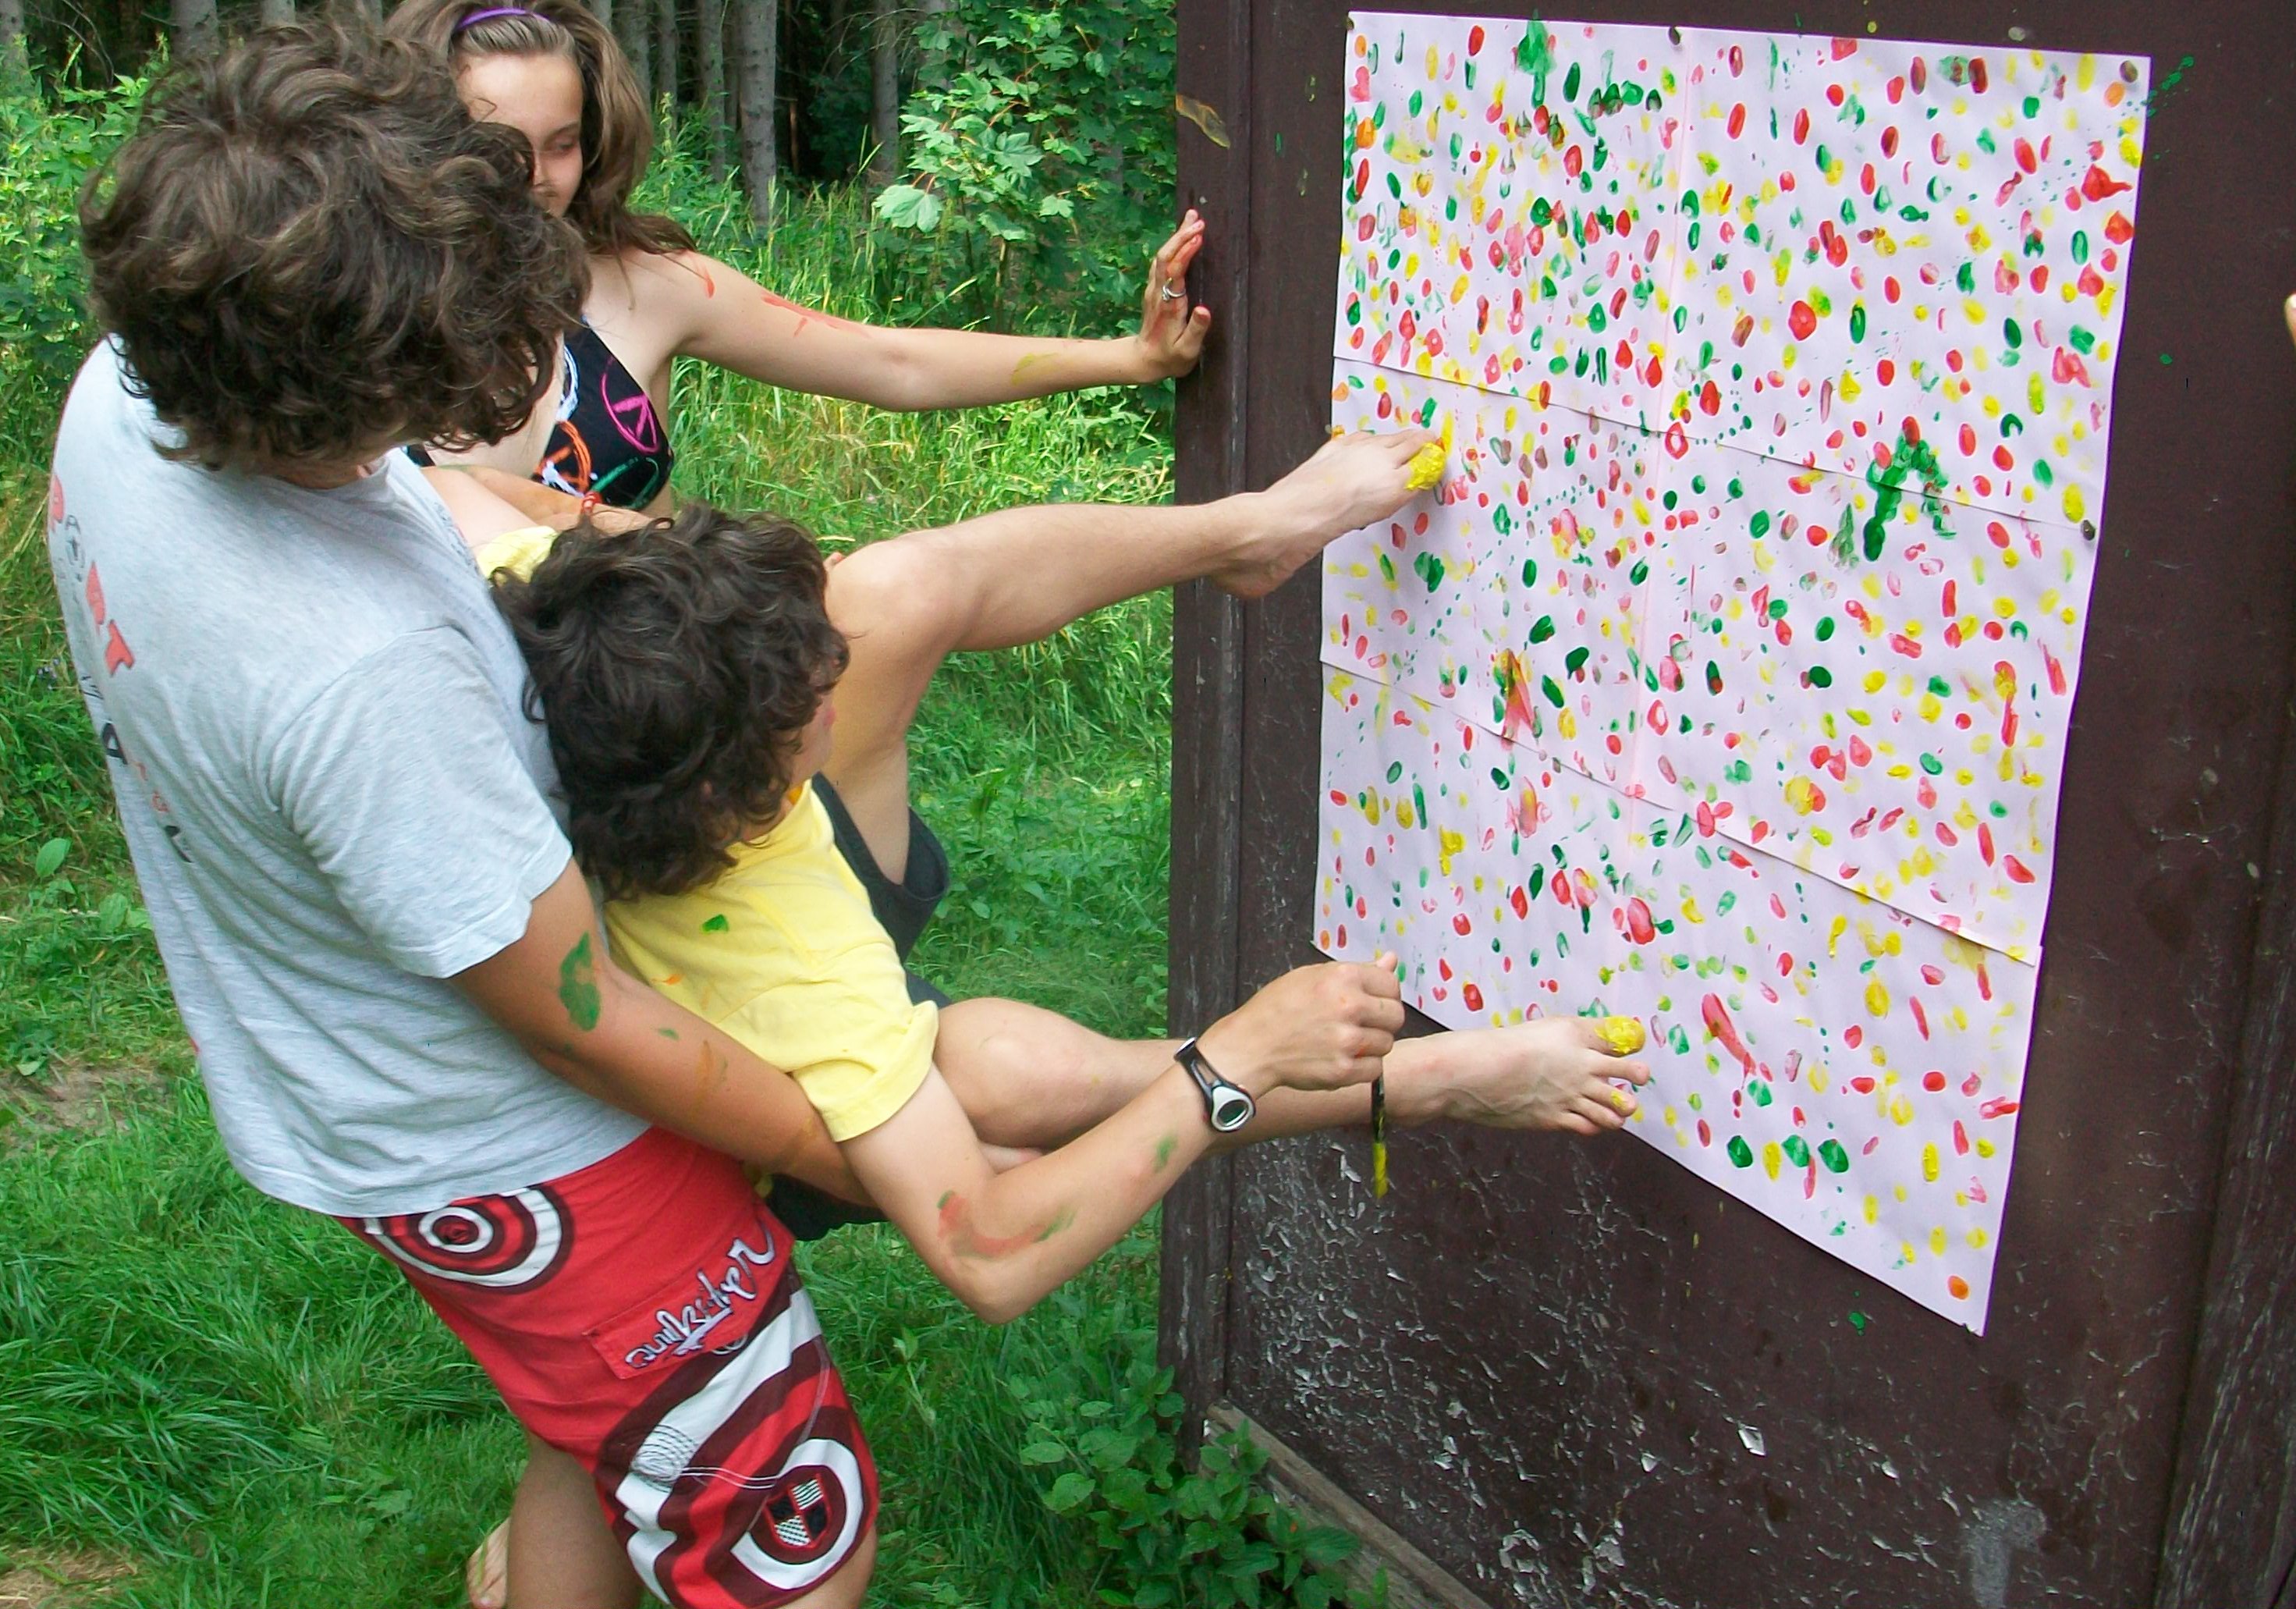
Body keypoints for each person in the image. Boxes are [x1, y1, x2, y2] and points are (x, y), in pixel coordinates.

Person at [53, 20, 1409, 1608]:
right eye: (433, 388)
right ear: (341, 383)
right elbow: (587, 1021)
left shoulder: (136, 385)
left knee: (604, 1432)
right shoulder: (365, 679)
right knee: (792, 1539)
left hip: (375, 1055)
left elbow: (485, 510)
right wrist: (863, 1138)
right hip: (520, 1148)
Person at [385, 0, 1209, 519]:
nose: (536, 176)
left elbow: (891, 362)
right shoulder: (366, 315)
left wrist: (1130, 358)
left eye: (563, 144)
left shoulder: (650, 287)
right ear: (425, 138)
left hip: (652, 712)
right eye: (499, 146)